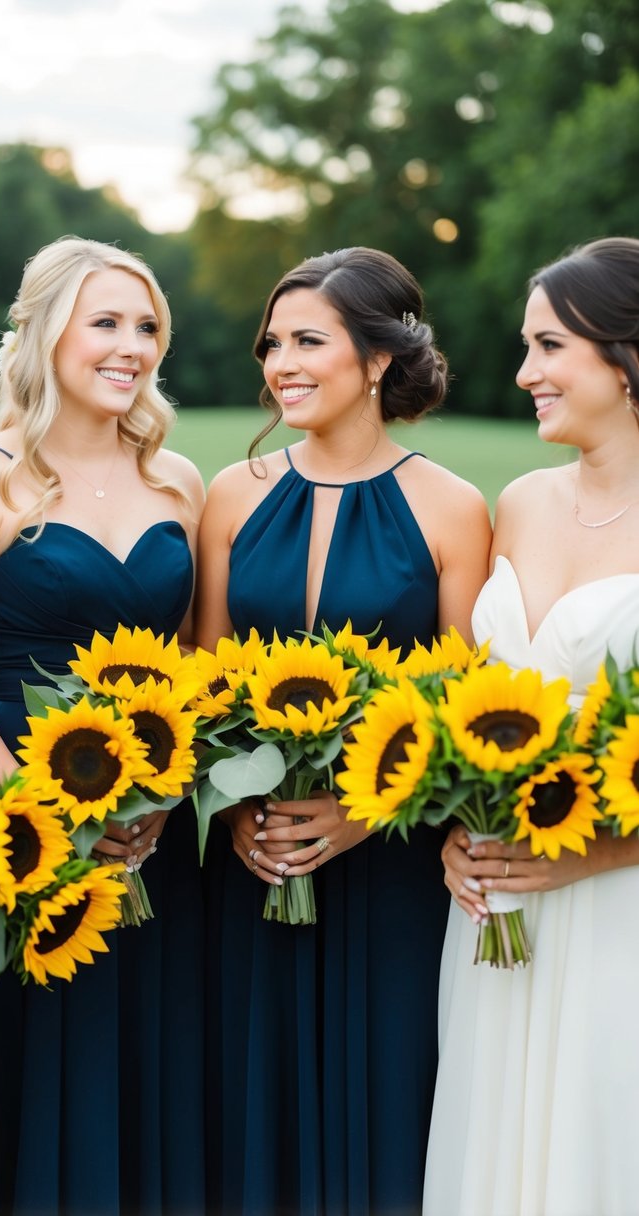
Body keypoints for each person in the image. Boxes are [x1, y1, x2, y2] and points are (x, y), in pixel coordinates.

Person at [196, 246, 492, 1216]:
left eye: (307, 340)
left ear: (376, 360)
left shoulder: (453, 509)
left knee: (389, 1117)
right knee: (255, 1118)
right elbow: (208, 678)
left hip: (392, 866)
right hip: (256, 868)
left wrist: (364, 815)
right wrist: (239, 816)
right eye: (271, 342)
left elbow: (460, 709)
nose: (279, 360)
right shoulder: (230, 496)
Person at [0, 234, 206, 1216]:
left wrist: (156, 811)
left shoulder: (181, 483)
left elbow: (194, 673)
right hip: (15, 830)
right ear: (44, 334)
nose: (132, 345)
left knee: (143, 1075)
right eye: (106, 322)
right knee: (23, 1080)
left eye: (147, 326)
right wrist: (45, 815)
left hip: (149, 841)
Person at [423, 237, 639, 1216]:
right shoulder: (517, 504)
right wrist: (454, 831)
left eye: (548, 346)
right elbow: (469, 701)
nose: (523, 373)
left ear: (624, 354)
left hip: (616, 910)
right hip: (497, 918)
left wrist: (590, 854)